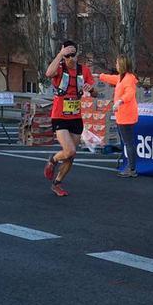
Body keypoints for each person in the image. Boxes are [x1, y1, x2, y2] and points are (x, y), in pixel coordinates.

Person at [43, 41, 95, 197]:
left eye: (73, 55)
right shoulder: (59, 69)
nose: (71, 58)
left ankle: (57, 183)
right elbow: (48, 73)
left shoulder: (84, 70)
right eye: (68, 55)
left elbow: (95, 92)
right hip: (60, 116)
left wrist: (91, 89)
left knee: (72, 156)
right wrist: (60, 54)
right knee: (69, 150)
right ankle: (53, 160)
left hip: (76, 117)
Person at [98, 55, 138, 177]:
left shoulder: (128, 79)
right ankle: (130, 167)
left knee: (128, 143)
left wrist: (119, 101)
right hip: (122, 115)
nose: (116, 65)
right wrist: (100, 76)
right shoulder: (122, 77)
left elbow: (130, 94)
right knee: (127, 142)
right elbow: (113, 79)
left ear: (122, 65)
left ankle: (132, 169)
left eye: (117, 63)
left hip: (126, 116)